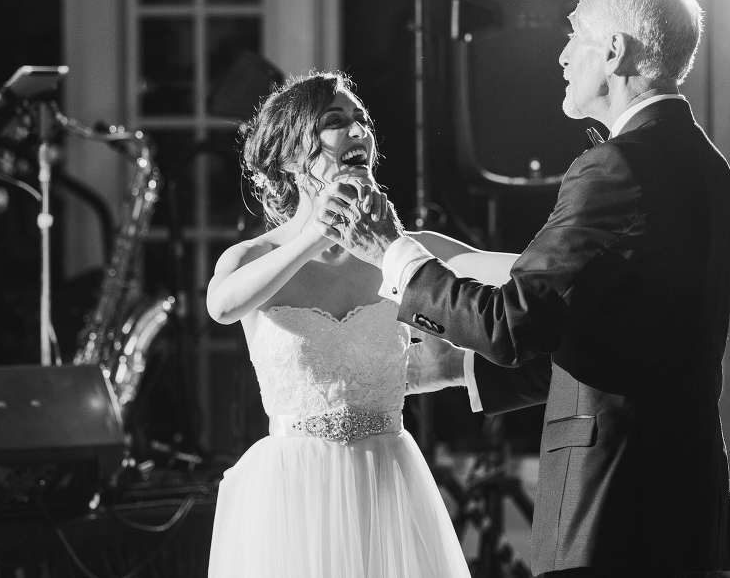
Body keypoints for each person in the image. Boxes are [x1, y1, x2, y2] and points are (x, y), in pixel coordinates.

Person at [327, 0, 730, 577]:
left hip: (612, 512)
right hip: (685, 509)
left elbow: (510, 322)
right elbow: (629, 346)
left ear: (614, 51)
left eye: (574, 34)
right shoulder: (715, 174)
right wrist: (460, 366)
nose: (561, 55)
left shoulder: (615, 170)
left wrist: (394, 251)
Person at [204, 71, 546, 577]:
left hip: (388, 481)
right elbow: (222, 306)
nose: (359, 130)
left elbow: (527, 272)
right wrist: (314, 238)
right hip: (292, 498)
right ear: (293, 156)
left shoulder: (405, 249)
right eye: (336, 122)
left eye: (362, 120)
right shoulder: (254, 257)